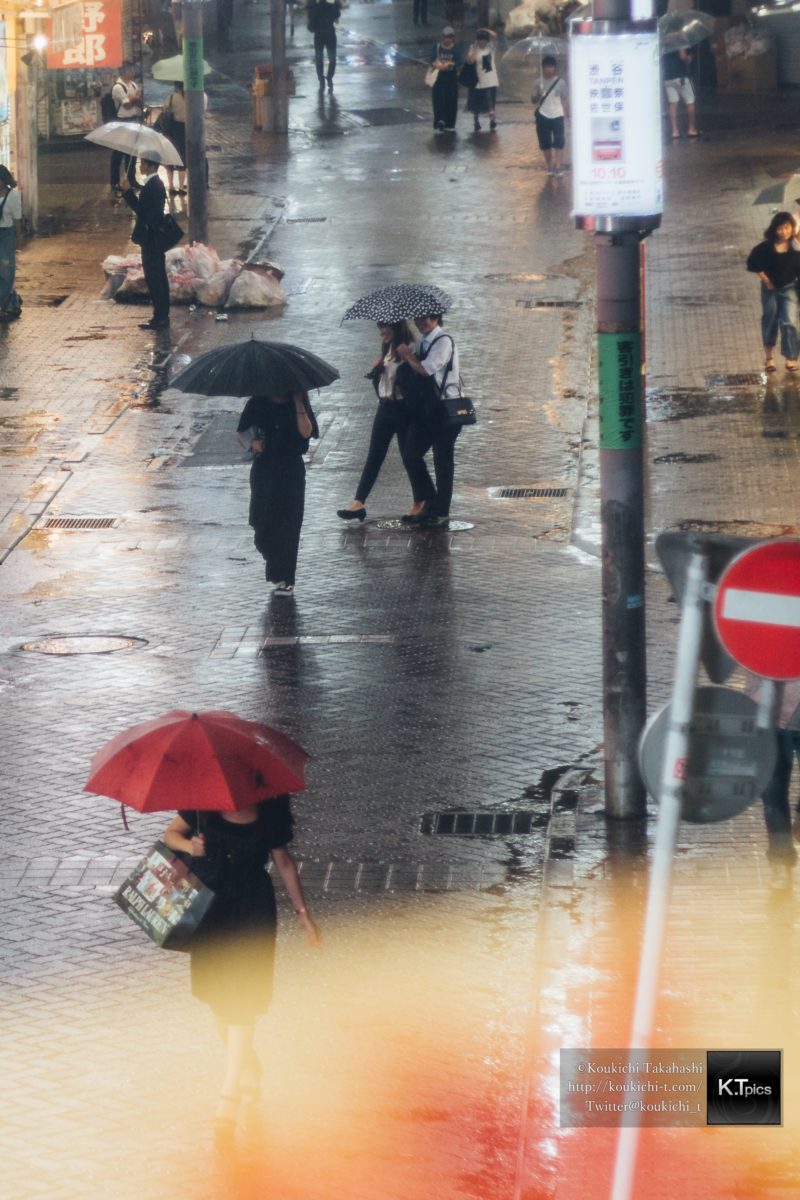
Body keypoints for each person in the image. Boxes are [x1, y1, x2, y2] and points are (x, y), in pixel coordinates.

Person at [162, 796, 320, 1143]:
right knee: (218, 1001)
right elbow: (170, 835)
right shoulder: (203, 800)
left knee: (242, 1001)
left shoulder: (272, 805)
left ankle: (229, 1095)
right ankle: (248, 1062)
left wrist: (303, 915)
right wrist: (191, 844)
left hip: (253, 908)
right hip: (211, 905)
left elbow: (284, 862)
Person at [337, 321, 429, 523]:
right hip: (385, 409)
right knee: (374, 456)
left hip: (403, 410)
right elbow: (384, 382)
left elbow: (415, 379)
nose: (381, 333)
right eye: (379, 328)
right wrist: (377, 371)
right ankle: (358, 503)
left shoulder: (410, 349)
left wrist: (407, 360)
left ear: (395, 327)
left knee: (408, 457)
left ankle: (419, 501)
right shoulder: (388, 350)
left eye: (384, 328)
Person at [236, 392, 319, 595]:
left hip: (291, 469)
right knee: (260, 522)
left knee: (289, 524)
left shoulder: (299, 403)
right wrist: (253, 442)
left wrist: (299, 402)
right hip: (264, 468)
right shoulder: (257, 402)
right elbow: (241, 433)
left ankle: (285, 577)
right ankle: (275, 565)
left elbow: (306, 432)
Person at [396, 314, 461, 528]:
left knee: (443, 460)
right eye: (418, 319)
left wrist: (408, 356)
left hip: (444, 409)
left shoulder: (443, 341)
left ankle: (441, 511)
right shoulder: (422, 341)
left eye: (427, 318)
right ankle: (431, 500)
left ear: (437, 318)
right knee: (411, 454)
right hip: (427, 410)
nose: (422, 322)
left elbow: (425, 369)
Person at [746, 211, 800, 374]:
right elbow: (753, 263)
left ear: (792, 228)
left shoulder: (796, 247)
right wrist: (767, 281)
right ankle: (769, 357)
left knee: (789, 322)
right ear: (774, 229)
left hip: (789, 288)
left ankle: (790, 358)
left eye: (787, 228)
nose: (784, 232)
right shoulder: (765, 248)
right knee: (770, 320)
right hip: (770, 290)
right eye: (780, 228)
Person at [122, 159, 171, 330]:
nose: (139, 166)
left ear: (151, 166)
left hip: (151, 239)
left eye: (143, 163)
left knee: (154, 277)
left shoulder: (153, 186)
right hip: (154, 238)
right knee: (158, 276)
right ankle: (161, 315)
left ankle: (160, 317)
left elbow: (143, 212)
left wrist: (128, 193)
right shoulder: (153, 184)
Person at [161, 82, 208, 195]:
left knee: (171, 156)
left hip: (174, 129)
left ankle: (171, 186)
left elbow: (165, 110)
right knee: (185, 157)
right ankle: (182, 187)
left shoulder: (171, 98)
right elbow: (203, 111)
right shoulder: (201, 96)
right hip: (192, 128)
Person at [531, 54, 569, 176]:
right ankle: (549, 165)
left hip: (557, 115)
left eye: (551, 67)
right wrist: (538, 94)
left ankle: (558, 165)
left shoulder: (561, 82)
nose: (549, 69)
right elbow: (533, 100)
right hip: (543, 115)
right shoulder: (538, 82)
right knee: (545, 143)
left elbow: (564, 99)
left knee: (559, 141)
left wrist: (568, 114)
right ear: (542, 68)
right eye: (546, 67)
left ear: (555, 68)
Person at [110, 63, 143, 193]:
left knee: (132, 152)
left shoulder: (133, 85)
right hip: (122, 121)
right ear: (123, 71)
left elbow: (138, 103)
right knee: (118, 152)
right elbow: (127, 106)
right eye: (130, 69)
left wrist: (133, 99)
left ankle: (131, 179)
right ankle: (115, 182)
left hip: (133, 120)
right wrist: (134, 98)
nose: (133, 71)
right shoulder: (118, 87)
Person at [466, 28, 499, 133]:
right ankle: (476, 120)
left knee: (490, 98)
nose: (482, 42)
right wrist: (475, 48)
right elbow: (470, 61)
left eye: (484, 40)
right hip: (478, 79)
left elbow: (495, 35)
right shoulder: (473, 48)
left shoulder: (491, 47)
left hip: (490, 79)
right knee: (476, 101)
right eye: (480, 40)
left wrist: (485, 29)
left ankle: (492, 119)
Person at [0, 165, 22, 319]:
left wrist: (17, 240)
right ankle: (13, 301)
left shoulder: (13, 196)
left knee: (6, 271)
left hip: (6, 234)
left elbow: (17, 220)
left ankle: (6, 301)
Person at [663, 46, 698, 140]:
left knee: (673, 102)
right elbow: (682, 56)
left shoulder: (665, 42)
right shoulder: (678, 41)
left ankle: (675, 131)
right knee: (690, 102)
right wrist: (688, 58)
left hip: (667, 78)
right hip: (681, 77)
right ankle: (691, 128)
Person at [429, 27, 461, 133]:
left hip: (451, 78)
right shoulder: (436, 47)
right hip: (438, 78)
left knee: (451, 99)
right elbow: (432, 60)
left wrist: (447, 65)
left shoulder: (456, 48)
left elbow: (458, 62)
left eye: (450, 37)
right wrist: (439, 66)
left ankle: (449, 122)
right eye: (446, 37)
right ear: (442, 37)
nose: (448, 40)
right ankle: (440, 120)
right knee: (439, 99)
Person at [307, 0, 342, 93]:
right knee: (332, 59)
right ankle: (329, 77)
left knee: (319, 58)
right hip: (330, 34)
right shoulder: (332, 7)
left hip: (318, 35)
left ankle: (321, 79)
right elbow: (337, 21)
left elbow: (309, 21)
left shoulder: (314, 8)